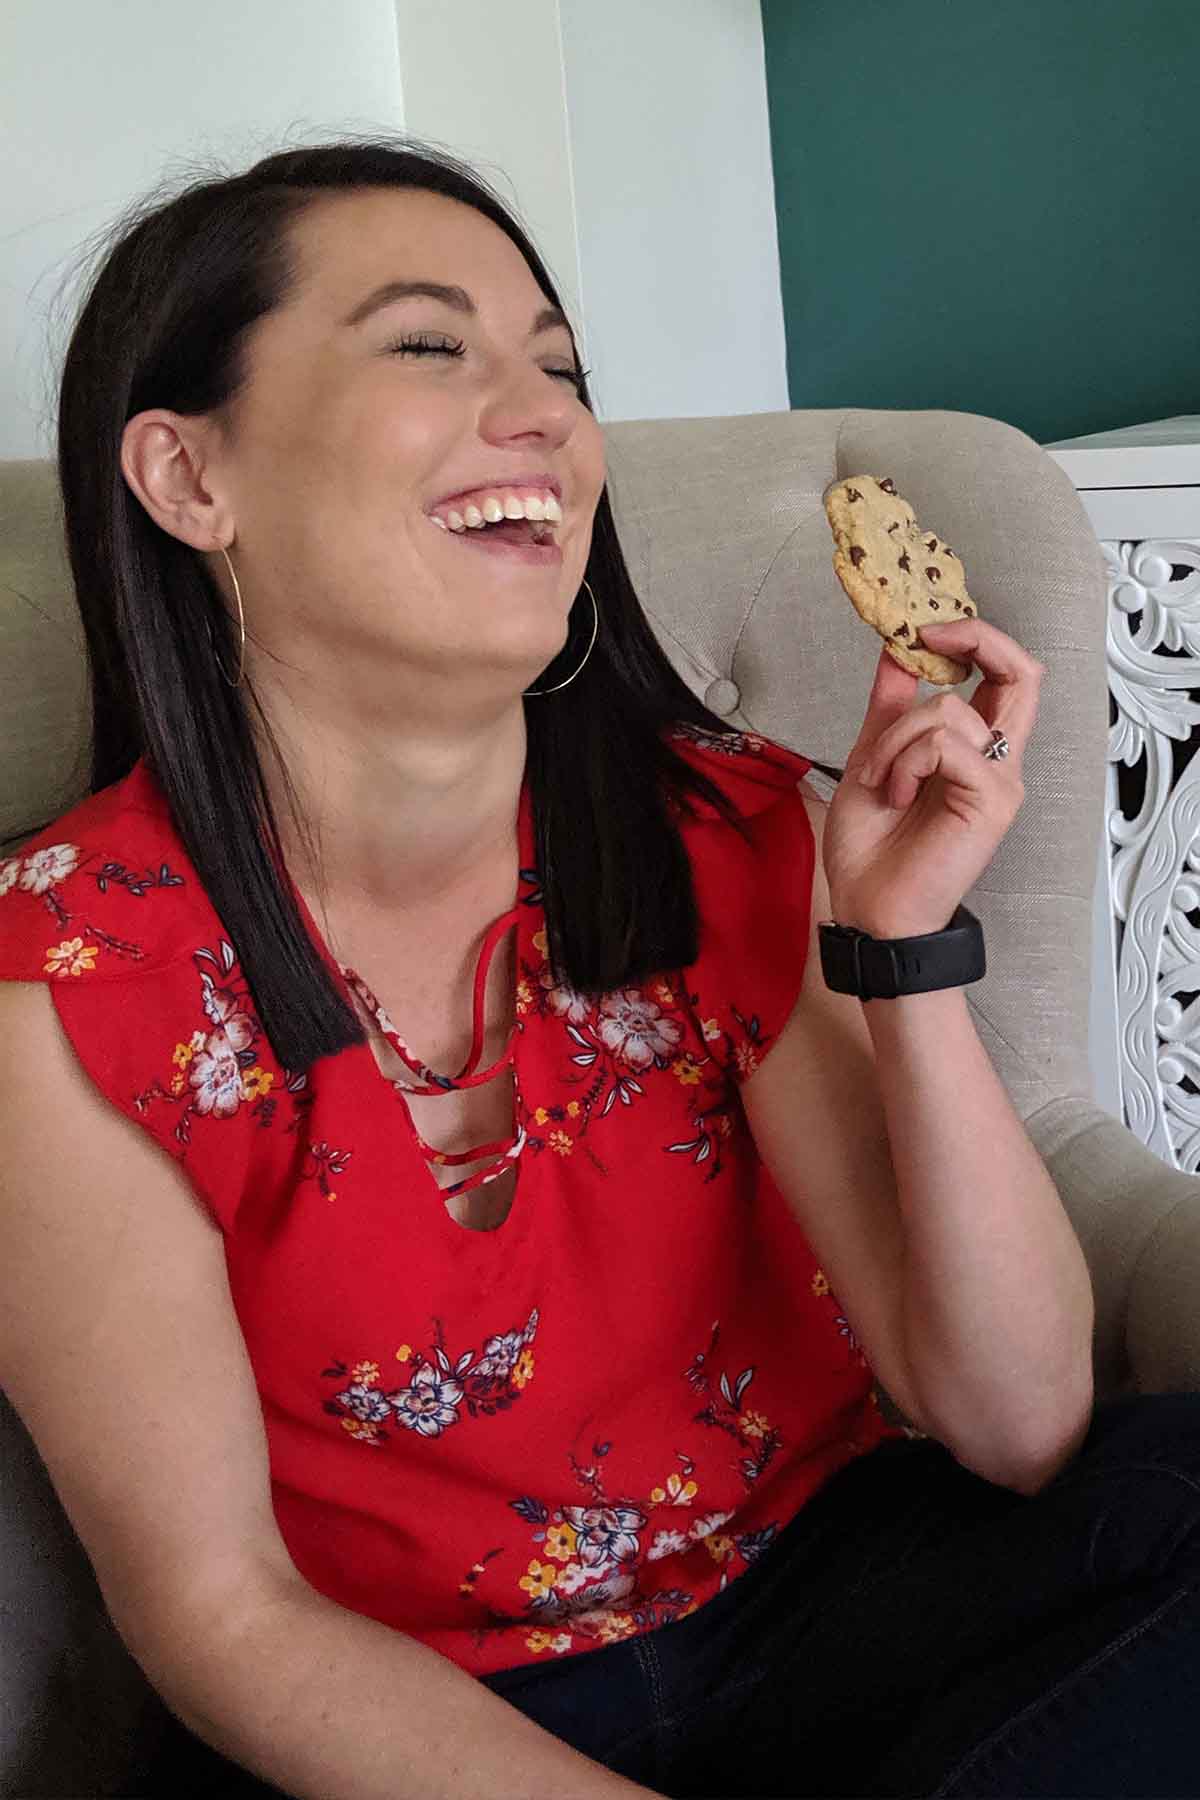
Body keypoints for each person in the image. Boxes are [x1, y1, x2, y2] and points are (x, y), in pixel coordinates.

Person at [0, 135, 1198, 1800]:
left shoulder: (715, 828)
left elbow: (1017, 1419)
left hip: (819, 1606)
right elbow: (224, 1616)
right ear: (191, 478)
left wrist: (901, 948)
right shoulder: (65, 979)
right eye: (433, 345)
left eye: (558, 365)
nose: (548, 413)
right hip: (402, 1713)